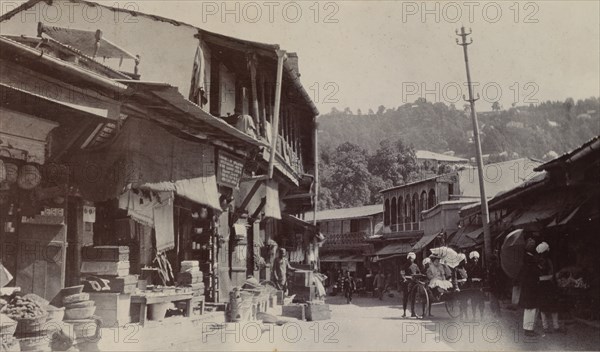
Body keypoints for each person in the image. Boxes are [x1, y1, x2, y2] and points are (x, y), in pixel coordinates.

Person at [537, 242, 566, 334]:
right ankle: (555, 326)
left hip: (542, 285)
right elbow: (550, 273)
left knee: (544, 307)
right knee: (553, 306)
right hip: (549, 284)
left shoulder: (538, 261)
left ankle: (546, 327)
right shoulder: (546, 260)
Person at [519, 236, 541, 337]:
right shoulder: (529, 259)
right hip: (530, 287)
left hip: (529, 287)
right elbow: (532, 273)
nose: (533, 246)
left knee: (530, 309)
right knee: (530, 309)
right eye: (531, 244)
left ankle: (529, 328)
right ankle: (529, 329)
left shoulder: (528, 257)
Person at [466, 251, 485, 320]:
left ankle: (482, 316)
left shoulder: (480, 267)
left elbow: (484, 276)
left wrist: (481, 281)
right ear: (471, 260)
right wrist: (472, 280)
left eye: (476, 259)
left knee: (481, 303)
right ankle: (474, 316)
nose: (475, 260)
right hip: (473, 287)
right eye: (474, 259)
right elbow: (467, 277)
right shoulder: (468, 268)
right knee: (473, 302)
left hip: (479, 286)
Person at [401, 252, 421, 318]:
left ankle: (413, 312)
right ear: (408, 258)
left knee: (413, 298)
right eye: (409, 258)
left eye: (412, 258)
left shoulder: (415, 266)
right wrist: (405, 278)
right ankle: (404, 312)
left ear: (414, 259)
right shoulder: (404, 265)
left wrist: (418, 277)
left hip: (413, 283)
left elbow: (419, 273)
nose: (410, 259)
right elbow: (402, 274)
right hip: (406, 283)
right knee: (405, 298)